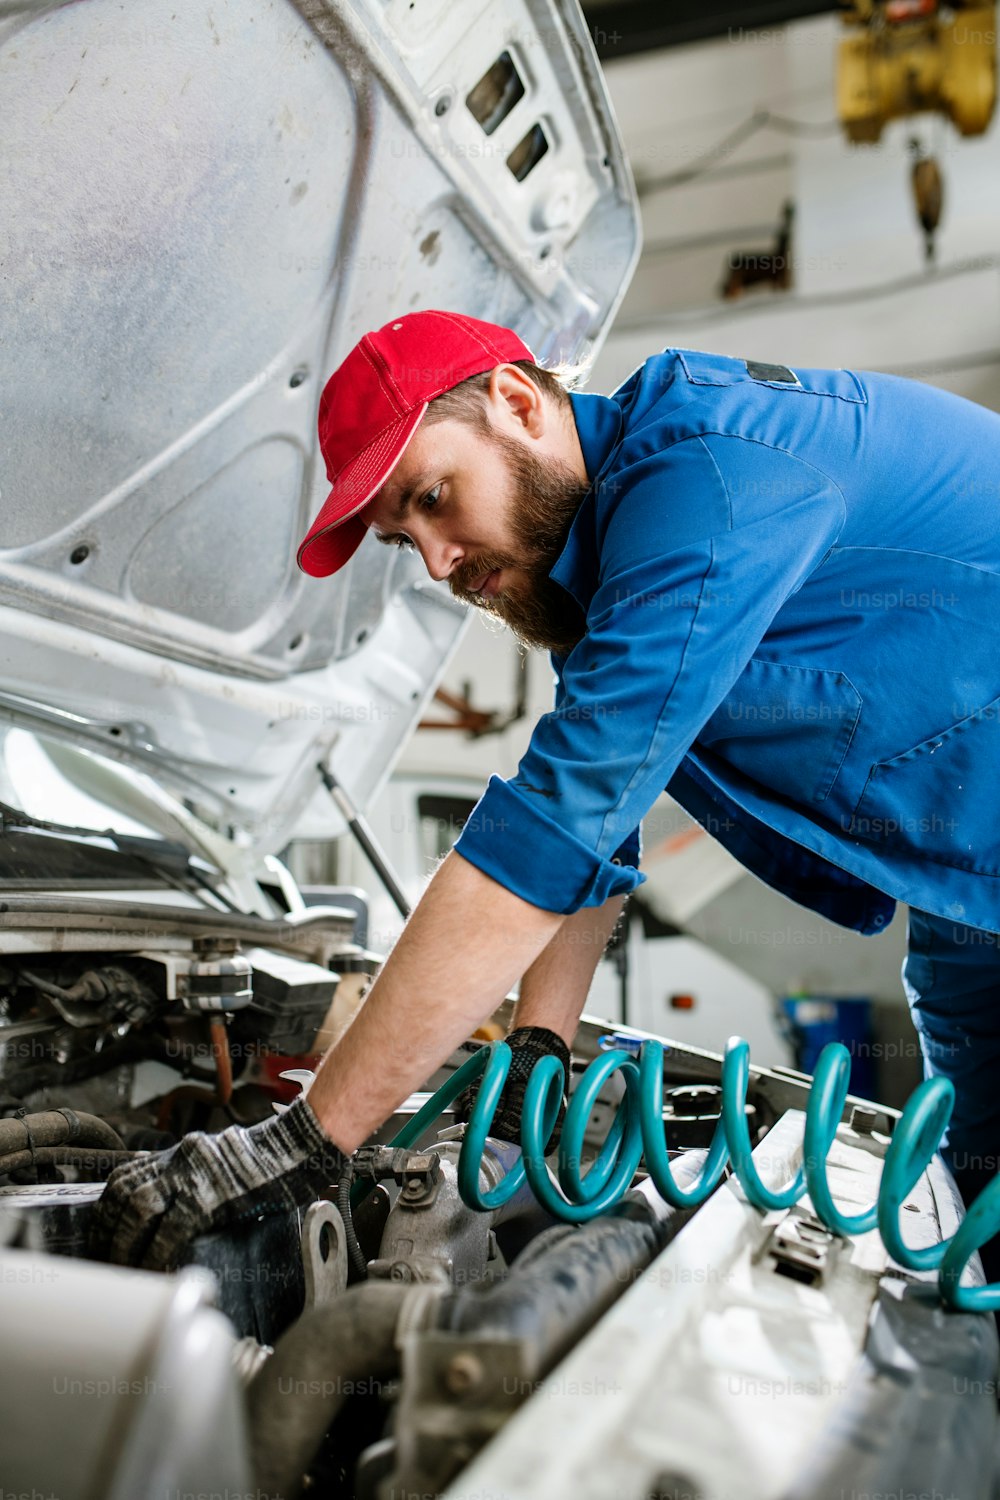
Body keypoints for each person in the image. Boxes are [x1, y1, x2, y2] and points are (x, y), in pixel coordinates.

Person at [93, 307, 1000, 1273]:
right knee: (978, 1225)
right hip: (965, 902)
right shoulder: (611, 567)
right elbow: (598, 840)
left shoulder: (711, 478)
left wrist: (307, 1138)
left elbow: (551, 832)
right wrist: (538, 1044)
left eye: (434, 496)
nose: (439, 562)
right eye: (407, 541)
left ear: (518, 403)